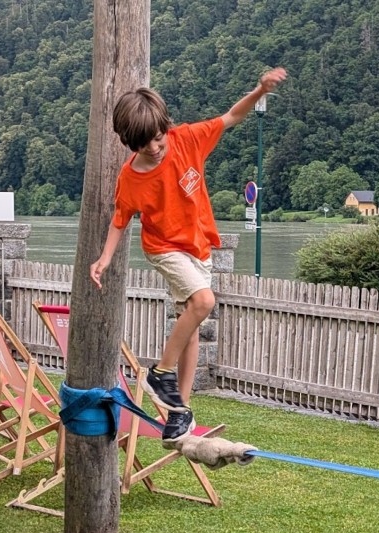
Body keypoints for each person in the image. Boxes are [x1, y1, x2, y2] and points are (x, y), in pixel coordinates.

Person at [90, 67, 287, 448]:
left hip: (199, 247)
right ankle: (159, 373)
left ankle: (180, 414)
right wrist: (104, 258)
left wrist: (259, 89)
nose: (154, 147)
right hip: (164, 249)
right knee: (203, 301)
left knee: (191, 327)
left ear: (166, 126)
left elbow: (232, 116)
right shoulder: (131, 178)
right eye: (143, 143)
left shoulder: (188, 140)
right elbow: (120, 219)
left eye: (157, 138)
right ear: (130, 142)